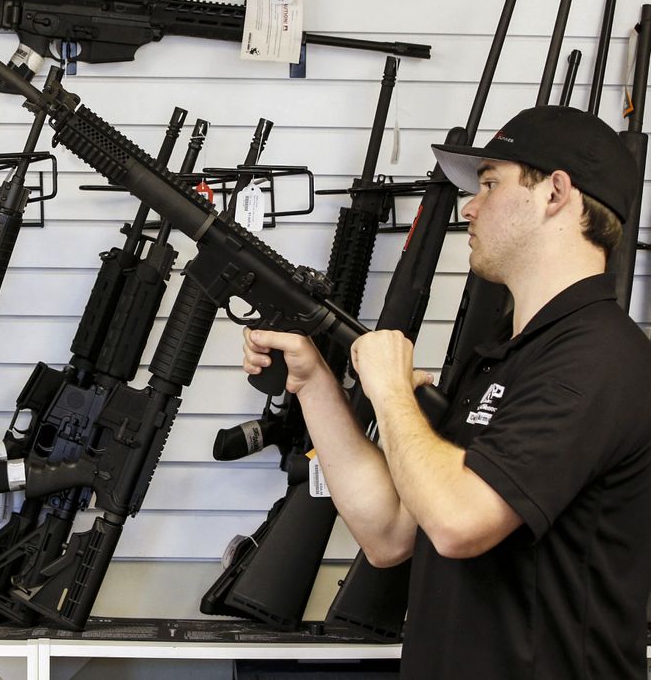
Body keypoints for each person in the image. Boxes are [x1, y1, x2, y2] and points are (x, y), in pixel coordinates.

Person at [243, 105, 651, 679]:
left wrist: (390, 394)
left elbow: (460, 522)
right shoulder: (500, 355)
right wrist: (314, 384)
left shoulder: (597, 359)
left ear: (556, 192)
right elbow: (389, 533)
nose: (470, 207)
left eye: (489, 184)